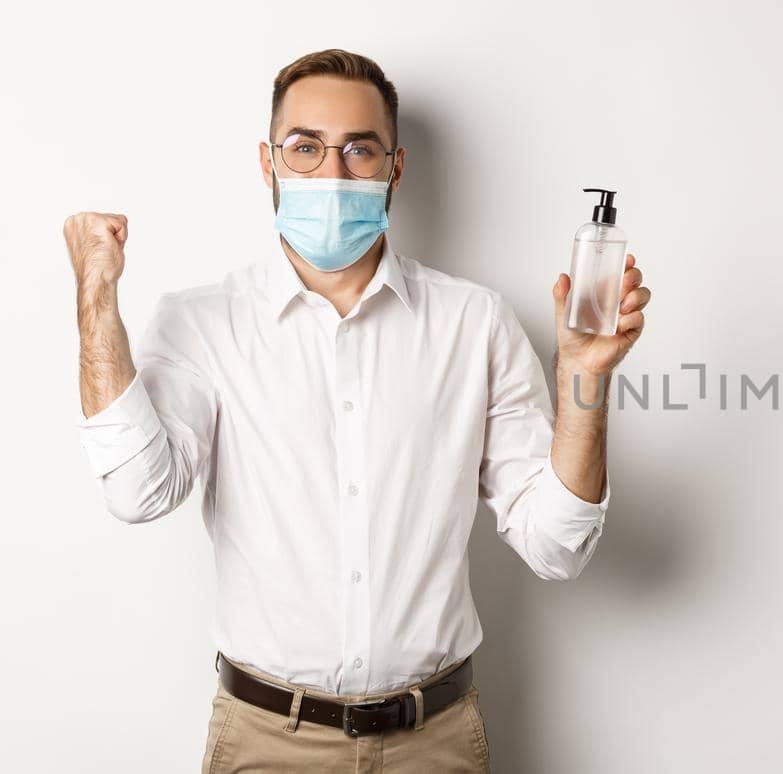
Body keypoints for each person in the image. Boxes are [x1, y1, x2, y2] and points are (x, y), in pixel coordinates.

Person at [65, 48, 651, 773]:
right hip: (265, 741)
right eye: (305, 148)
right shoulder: (202, 324)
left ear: (395, 168)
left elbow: (557, 546)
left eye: (359, 151)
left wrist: (584, 381)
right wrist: (96, 298)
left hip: (435, 742)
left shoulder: (475, 323)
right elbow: (136, 490)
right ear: (268, 161)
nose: (332, 175)